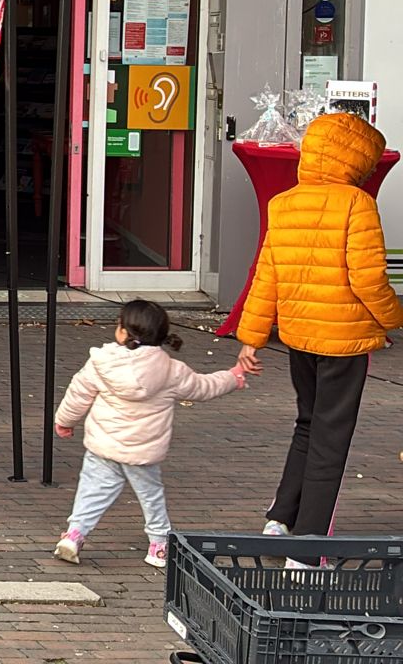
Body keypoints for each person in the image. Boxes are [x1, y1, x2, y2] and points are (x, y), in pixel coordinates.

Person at [237, 112, 403, 555]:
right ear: (359, 160)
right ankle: (308, 549)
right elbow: (369, 279)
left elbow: (266, 276)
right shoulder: (356, 203)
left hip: (299, 336)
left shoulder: (284, 203)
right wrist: (393, 318)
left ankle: (280, 519)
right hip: (345, 340)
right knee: (331, 438)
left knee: (307, 425)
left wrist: (251, 337)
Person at [51, 300, 245, 568]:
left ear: (123, 332)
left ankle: (75, 535)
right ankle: (158, 544)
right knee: (151, 496)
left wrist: (65, 421)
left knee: (92, 489)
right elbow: (203, 387)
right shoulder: (171, 370)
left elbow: (78, 394)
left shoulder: (101, 363)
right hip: (143, 451)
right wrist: (233, 377)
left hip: (103, 445)